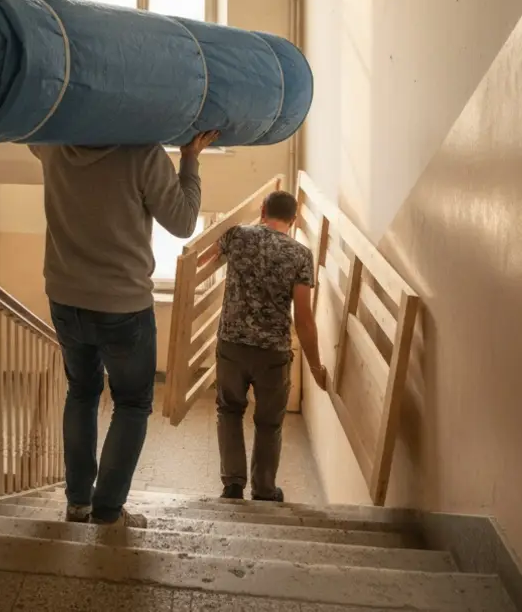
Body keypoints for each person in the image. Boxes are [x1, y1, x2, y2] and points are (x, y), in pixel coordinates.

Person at [30, 130, 219, 527]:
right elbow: (184, 222)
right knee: (131, 405)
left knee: (81, 393)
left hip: (65, 299)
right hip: (123, 308)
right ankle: (107, 511)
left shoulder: (55, 143)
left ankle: (78, 504)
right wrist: (189, 158)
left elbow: (26, 124)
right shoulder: (142, 153)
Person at [213, 189, 329, 502]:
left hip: (232, 344)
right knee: (268, 422)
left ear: (263, 210)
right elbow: (303, 318)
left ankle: (232, 485)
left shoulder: (237, 236)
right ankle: (264, 489)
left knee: (229, 410)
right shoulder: (300, 255)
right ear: (293, 219)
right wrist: (316, 367)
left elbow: (201, 259)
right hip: (273, 352)